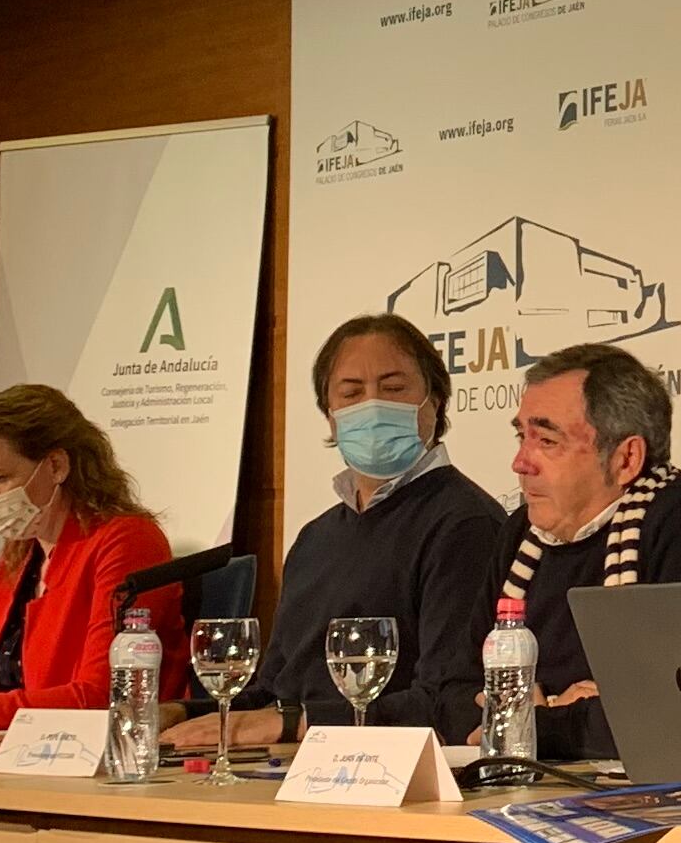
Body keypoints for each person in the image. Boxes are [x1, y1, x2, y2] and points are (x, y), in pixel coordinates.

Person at [168, 313, 500, 763]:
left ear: (435, 401)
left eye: (394, 387)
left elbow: (448, 702)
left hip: (384, 772)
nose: (373, 405)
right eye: (351, 393)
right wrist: (179, 712)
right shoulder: (315, 537)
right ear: (330, 416)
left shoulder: (466, 524)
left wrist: (294, 723)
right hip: (287, 762)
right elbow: (273, 692)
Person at [467, 340, 681, 758]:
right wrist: (557, 716)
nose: (520, 462)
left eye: (546, 440)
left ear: (626, 459)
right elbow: (457, 686)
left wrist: (537, 723)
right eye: (520, 436)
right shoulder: (520, 534)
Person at [0, 385, 172, 731]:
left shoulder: (127, 541)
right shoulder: (19, 551)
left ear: (57, 466)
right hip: (11, 751)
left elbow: (101, 696)